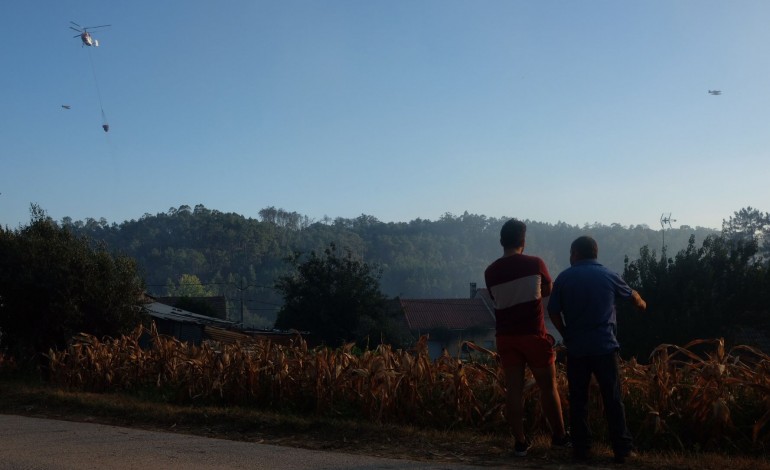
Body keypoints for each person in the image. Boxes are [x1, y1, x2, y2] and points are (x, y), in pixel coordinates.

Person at [547, 236, 647, 464]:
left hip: (577, 348)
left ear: (575, 253)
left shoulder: (564, 278)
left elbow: (553, 311)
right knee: (612, 398)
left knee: (578, 399)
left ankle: (582, 450)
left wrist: (566, 334)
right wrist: (642, 303)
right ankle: (622, 449)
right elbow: (634, 298)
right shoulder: (609, 275)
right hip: (605, 347)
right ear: (595, 253)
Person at [484, 219, 570, 457]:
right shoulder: (535, 264)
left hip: (506, 338)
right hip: (533, 334)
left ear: (502, 241)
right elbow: (548, 290)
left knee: (514, 390)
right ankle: (560, 437)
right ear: (523, 241)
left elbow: (495, 298)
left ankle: (520, 442)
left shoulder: (490, 272)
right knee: (548, 387)